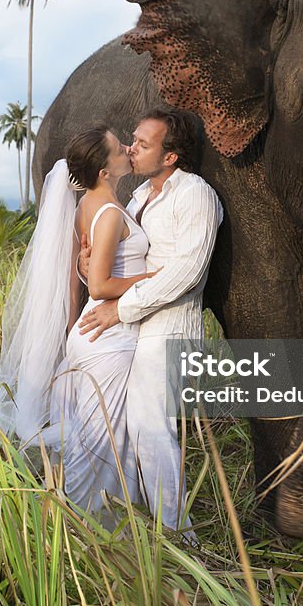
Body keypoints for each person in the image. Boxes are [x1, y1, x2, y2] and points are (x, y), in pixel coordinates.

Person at [0, 125, 155, 524]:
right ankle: (73, 522)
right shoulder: (112, 214)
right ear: (105, 171)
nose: (128, 150)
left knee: (93, 435)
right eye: (120, 149)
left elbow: (88, 271)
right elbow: (100, 284)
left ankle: (83, 517)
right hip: (107, 339)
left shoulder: (86, 208)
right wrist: (154, 278)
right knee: (102, 444)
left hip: (90, 333)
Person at [78, 105, 223, 539]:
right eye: (133, 140)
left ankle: (181, 538)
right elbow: (116, 261)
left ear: (171, 156)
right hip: (137, 328)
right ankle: (137, 526)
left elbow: (187, 272)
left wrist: (120, 308)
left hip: (170, 328)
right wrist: (90, 272)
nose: (131, 148)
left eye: (143, 143)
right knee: (121, 427)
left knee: (149, 426)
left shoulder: (194, 194)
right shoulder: (139, 197)